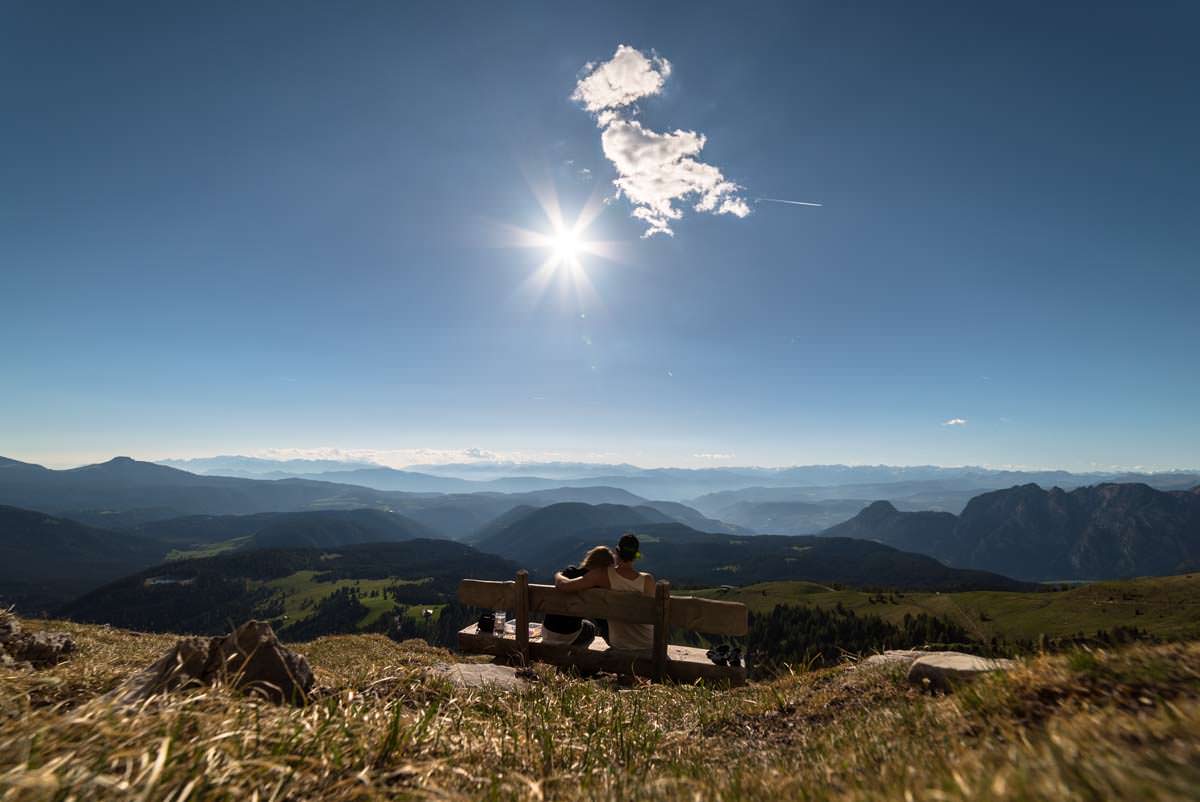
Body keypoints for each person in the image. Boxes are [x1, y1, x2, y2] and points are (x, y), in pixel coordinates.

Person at [555, 532, 655, 652]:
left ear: (616, 552)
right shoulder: (648, 580)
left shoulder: (602, 575)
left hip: (620, 645)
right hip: (649, 645)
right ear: (636, 556)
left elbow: (564, 586)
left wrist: (558, 575)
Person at [541, 546, 612, 647]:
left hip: (547, 631)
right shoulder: (595, 588)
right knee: (590, 627)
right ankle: (574, 656)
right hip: (568, 636)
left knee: (583, 623)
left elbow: (560, 580)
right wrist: (611, 642)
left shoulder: (569, 572)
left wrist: (558, 575)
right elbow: (602, 621)